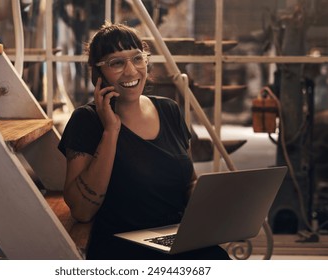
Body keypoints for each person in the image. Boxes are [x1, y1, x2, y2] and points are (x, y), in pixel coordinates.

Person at [58, 21, 230, 260]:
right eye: (116, 63)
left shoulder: (169, 110)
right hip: (123, 246)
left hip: (178, 238)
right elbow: (82, 210)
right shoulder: (86, 120)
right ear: (98, 74)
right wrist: (111, 131)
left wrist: (207, 204)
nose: (131, 71)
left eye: (137, 59)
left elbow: (188, 181)